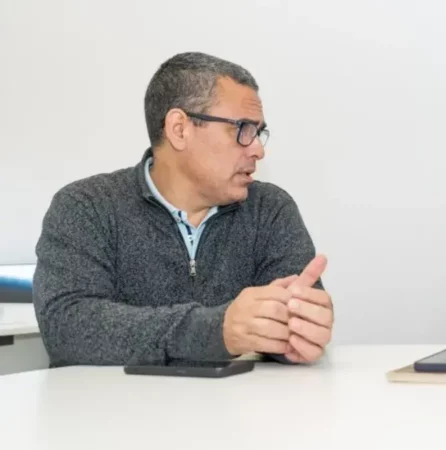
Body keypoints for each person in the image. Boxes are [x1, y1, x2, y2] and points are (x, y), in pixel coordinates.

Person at [33, 52, 334, 367]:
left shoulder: (269, 210)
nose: (258, 149)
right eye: (243, 129)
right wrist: (216, 331)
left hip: (239, 400)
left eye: (258, 133)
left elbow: (296, 321)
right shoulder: (87, 207)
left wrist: (301, 328)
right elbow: (67, 328)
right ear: (179, 129)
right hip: (115, 400)